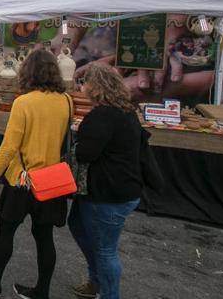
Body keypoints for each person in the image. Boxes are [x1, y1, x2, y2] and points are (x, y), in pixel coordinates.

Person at [0, 49, 73, 299]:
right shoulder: (66, 100)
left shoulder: (23, 102)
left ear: (28, 72)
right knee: (44, 236)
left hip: (22, 180)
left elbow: (10, 144)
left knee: (6, 229)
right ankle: (41, 291)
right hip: (52, 180)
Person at [68, 63, 162, 299]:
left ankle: (109, 293)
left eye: (85, 83)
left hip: (108, 193)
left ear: (95, 86)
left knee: (106, 250)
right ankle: (96, 281)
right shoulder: (125, 111)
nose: (83, 88)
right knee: (78, 226)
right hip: (117, 189)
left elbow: (85, 154)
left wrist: (78, 135)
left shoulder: (102, 115)